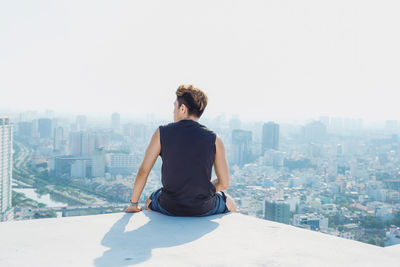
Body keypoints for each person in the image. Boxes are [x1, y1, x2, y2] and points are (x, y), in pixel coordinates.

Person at [125, 84, 237, 216]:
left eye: (175, 106)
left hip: (169, 206)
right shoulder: (215, 139)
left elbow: (144, 171)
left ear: (182, 108)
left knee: (150, 200)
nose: (173, 111)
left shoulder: (162, 132)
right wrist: (204, 190)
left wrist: (133, 204)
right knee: (231, 203)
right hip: (203, 208)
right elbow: (224, 183)